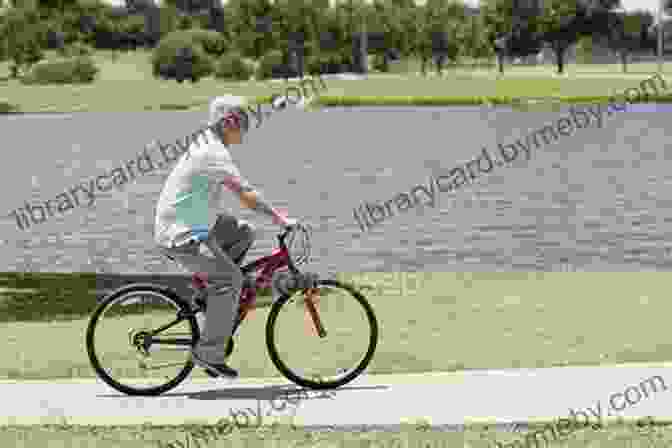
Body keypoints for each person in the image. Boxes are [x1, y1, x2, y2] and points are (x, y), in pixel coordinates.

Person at [154, 95, 298, 378]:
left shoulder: (208, 144)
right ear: (228, 121)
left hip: (196, 221)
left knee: (244, 232)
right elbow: (245, 194)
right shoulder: (212, 153)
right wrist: (280, 219)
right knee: (230, 279)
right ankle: (208, 352)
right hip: (183, 233)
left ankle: (213, 296)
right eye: (243, 123)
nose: (246, 129)